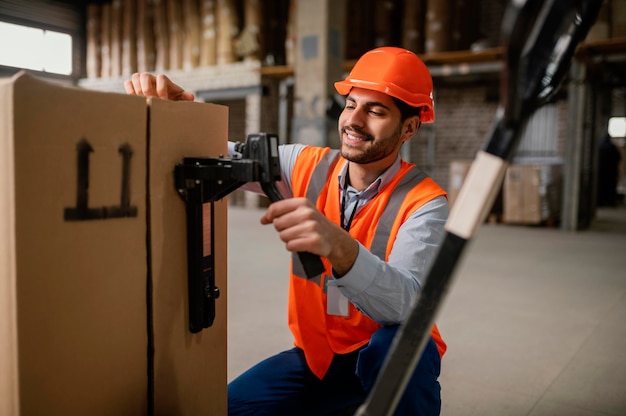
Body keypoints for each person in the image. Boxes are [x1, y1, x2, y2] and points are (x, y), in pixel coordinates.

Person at [125, 46, 449, 416]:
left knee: (399, 347)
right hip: (319, 359)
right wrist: (177, 115)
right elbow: (220, 156)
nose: (354, 120)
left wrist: (339, 246)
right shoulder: (306, 164)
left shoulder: (425, 203)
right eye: (350, 104)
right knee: (230, 409)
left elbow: (406, 305)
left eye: (375, 111)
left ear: (409, 126)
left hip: (384, 353)